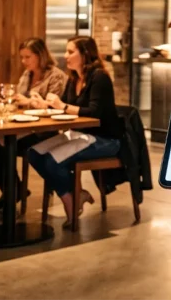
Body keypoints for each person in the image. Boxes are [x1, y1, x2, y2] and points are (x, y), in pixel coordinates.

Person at [27, 37, 123, 224]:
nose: (65, 56)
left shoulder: (99, 77)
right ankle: (77, 193)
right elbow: (64, 106)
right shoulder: (74, 79)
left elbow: (94, 113)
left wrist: (61, 106)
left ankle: (69, 201)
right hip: (80, 135)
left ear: (85, 54)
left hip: (105, 139)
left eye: (70, 52)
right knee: (34, 153)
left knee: (52, 161)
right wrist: (45, 104)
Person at [0, 38, 69, 209]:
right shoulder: (27, 74)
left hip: (44, 131)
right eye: (22, 57)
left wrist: (27, 102)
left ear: (40, 55)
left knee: (0, 145)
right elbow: (17, 100)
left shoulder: (56, 76)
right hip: (23, 127)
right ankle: (13, 189)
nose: (23, 61)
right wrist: (1, 98)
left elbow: (54, 107)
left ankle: (12, 192)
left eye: (27, 57)